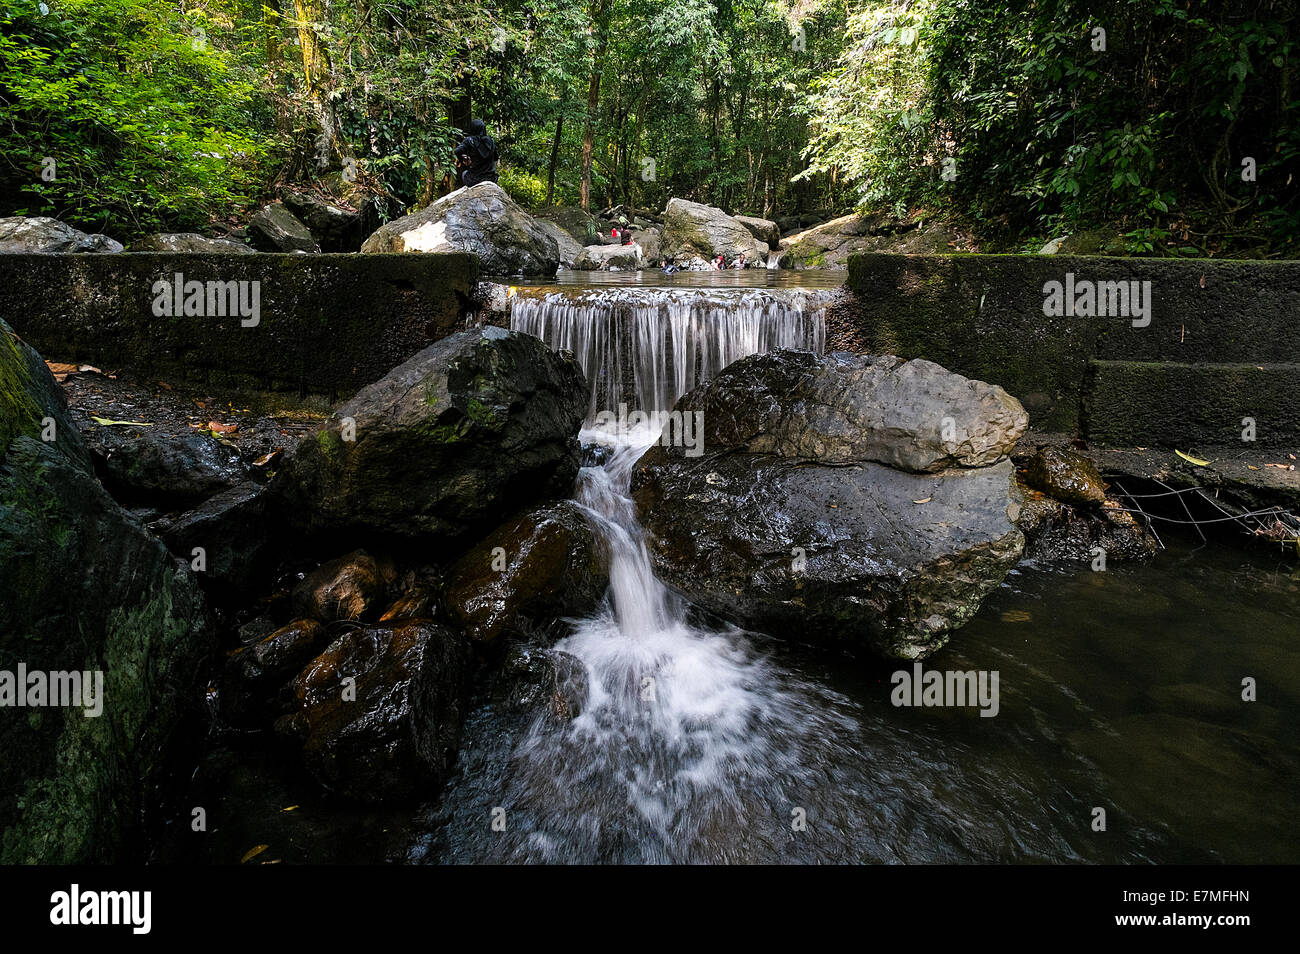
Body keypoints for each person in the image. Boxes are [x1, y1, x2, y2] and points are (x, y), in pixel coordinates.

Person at [453, 119, 499, 187]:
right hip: (491, 178)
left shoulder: (469, 140)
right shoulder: (491, 141)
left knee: (464, 173)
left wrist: (463, 160)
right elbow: (496, 157)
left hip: (475, 179)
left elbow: (457, 151)